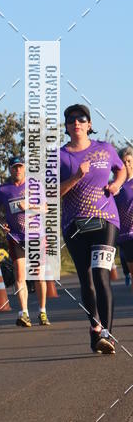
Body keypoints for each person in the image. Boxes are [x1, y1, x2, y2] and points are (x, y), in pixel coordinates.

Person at [60, 104, 126, 353]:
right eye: (71, 119)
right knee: (86, 280)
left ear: (89, 124)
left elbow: (121, 169)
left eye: (81, 119)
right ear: (66, 127)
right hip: (75, 225)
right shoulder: (59, 156)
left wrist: (117, 184)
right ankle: (95, 327)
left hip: (106, 219)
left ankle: (107, 334)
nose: (76, 122)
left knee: (101, 273)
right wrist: (76, 176)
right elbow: (54, 193)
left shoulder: (105, 149)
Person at [0, 157, 49, 327]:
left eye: (20, 167)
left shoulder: (35, 185)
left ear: (24, 168)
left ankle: (42, 311)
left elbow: (46, 208)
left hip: (36, 236)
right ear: (9, 169)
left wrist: (29, 207)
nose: (17, 170)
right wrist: (2, 222)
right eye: (14, 167)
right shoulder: (2, 190)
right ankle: (24, 312)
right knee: (19, 274)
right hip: (16, 237)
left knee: (38, 275)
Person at [115, 146, 133, 291]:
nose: (127, 164)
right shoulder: (117, 186)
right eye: (123, 162)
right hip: (126, 236)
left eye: (129, 161)